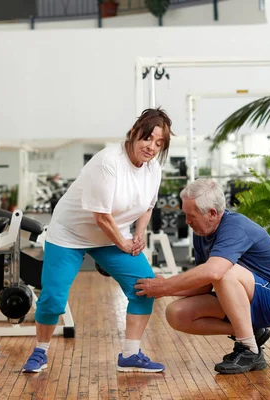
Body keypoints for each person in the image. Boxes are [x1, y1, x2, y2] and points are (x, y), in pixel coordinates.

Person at [21, 108, 174, 373]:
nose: (152, 147)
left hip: (114, 233)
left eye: (159, 143)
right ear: (135, 133)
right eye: (148, 139)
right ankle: (40, 352)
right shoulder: (108, 162)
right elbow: (101, 216)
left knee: (145, 288)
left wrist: (139, 234)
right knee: (54, 298)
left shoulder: (153, 169)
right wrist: (124, 244)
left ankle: (130, 354)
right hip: (70, 233)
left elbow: (147, 207)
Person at [134, 178, 270, 374]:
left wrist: (165, 285)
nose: (187, 221)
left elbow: (214, 272)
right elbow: (204, 283)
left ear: (212, 213)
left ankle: (249, 350)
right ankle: (250, 334)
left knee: (224, 271)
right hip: (240, 297)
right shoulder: (201, 233)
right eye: (185, 215)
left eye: (191, 216)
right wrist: (162, 290)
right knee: (176, 313)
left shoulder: (235, 227)